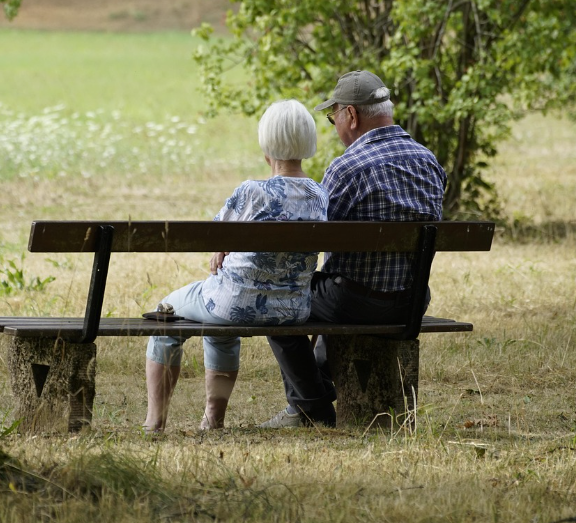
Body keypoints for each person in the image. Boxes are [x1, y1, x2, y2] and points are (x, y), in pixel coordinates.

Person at [260, 70, 448, 429]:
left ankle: (311, 407)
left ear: (351, 115)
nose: (335, 127)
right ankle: (315, 390)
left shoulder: (347, 168)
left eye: (333, 119)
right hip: (411, 301)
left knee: (277, 299)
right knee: (333, 288)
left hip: (355, 302)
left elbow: (314, 240)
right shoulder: (429, 162)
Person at [143, 100, 329, 433]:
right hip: (292, 310)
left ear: (266, 144)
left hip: (234, 304)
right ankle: (212, 419)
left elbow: (214, 236)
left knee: (165, 314)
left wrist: (221, 249)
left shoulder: (251, 192)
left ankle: (155, 422)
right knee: (218, 322)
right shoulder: (320, 195)